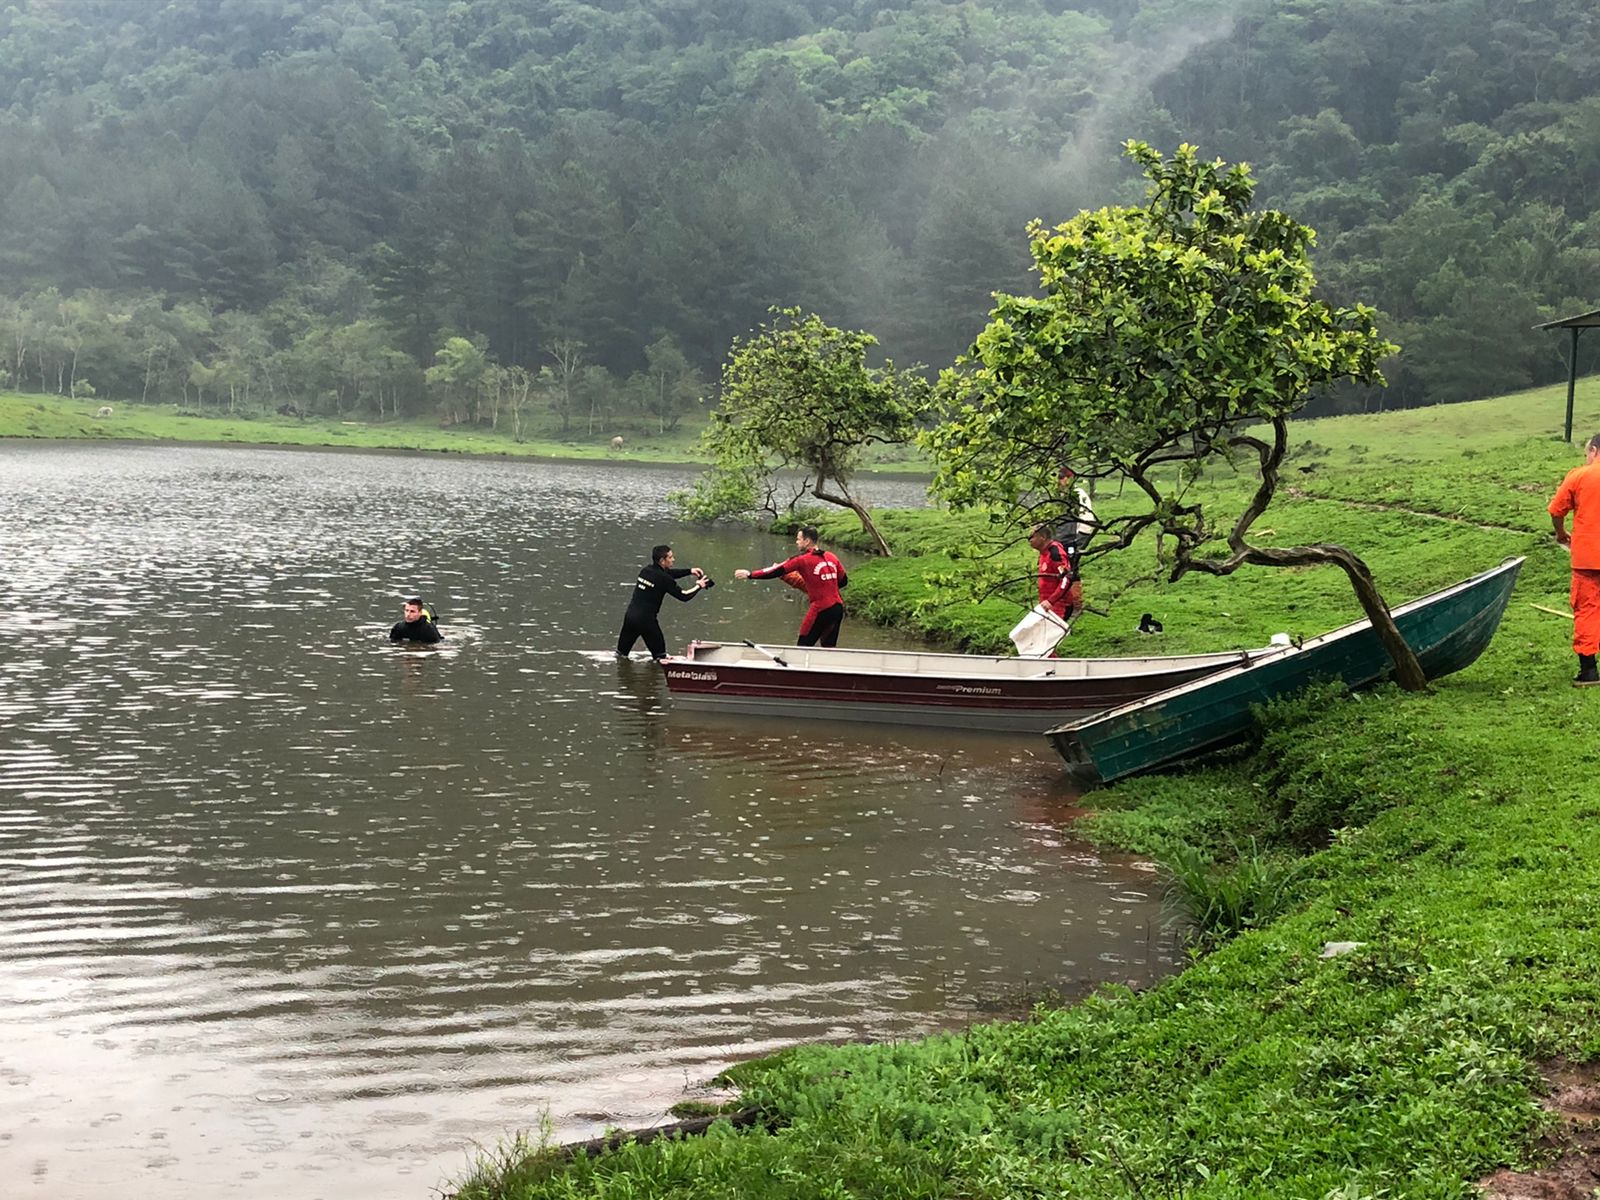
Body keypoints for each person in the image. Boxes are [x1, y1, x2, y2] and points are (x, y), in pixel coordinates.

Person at [734, 525, 848, 647]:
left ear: (807, 541)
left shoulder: (802, 559)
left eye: (799, 539)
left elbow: (776, 571)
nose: (796, 542)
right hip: (837, 608)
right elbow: (843, 581)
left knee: (803, 646)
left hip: (820, 608)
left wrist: (750, 574)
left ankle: (797, 666)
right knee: (829, 647)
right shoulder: (832, 557)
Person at [1549, 433, 1600, 686]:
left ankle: (1589, 671)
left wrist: (1561, 534)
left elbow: (1556, 511)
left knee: (1587, 609)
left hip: (1588, 557)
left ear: (1594, 450)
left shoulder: (1579, 476)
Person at [617, 544, 711, 661]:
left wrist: (689, 571)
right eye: (670, 557)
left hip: (630, 617)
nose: (673, 559)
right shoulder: (664, 579)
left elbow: (667, 574)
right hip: (647, 621)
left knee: (620, 655)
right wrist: (699, 585)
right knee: (660, 658)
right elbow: (684, 596)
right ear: (662, 560)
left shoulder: (645, 571)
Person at [1029, 522, 1083, 628]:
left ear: (1043, 537)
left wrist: (1051, 601)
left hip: (1059, 606)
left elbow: (1066, 579)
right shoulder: (1043, 552)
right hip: (1047, 606)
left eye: (1032, 537)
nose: (1029, 541)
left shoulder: (1055, 554)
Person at [1052, 466, 1096, 556]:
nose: (1060, 480)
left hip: (1072, 538)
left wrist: (1080, 537)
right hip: (1057, 539)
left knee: (1070, 563)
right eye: (1059, 477)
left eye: (1063, 477)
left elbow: (1087, 517)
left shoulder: (1078, 494)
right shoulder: (1056, 495)